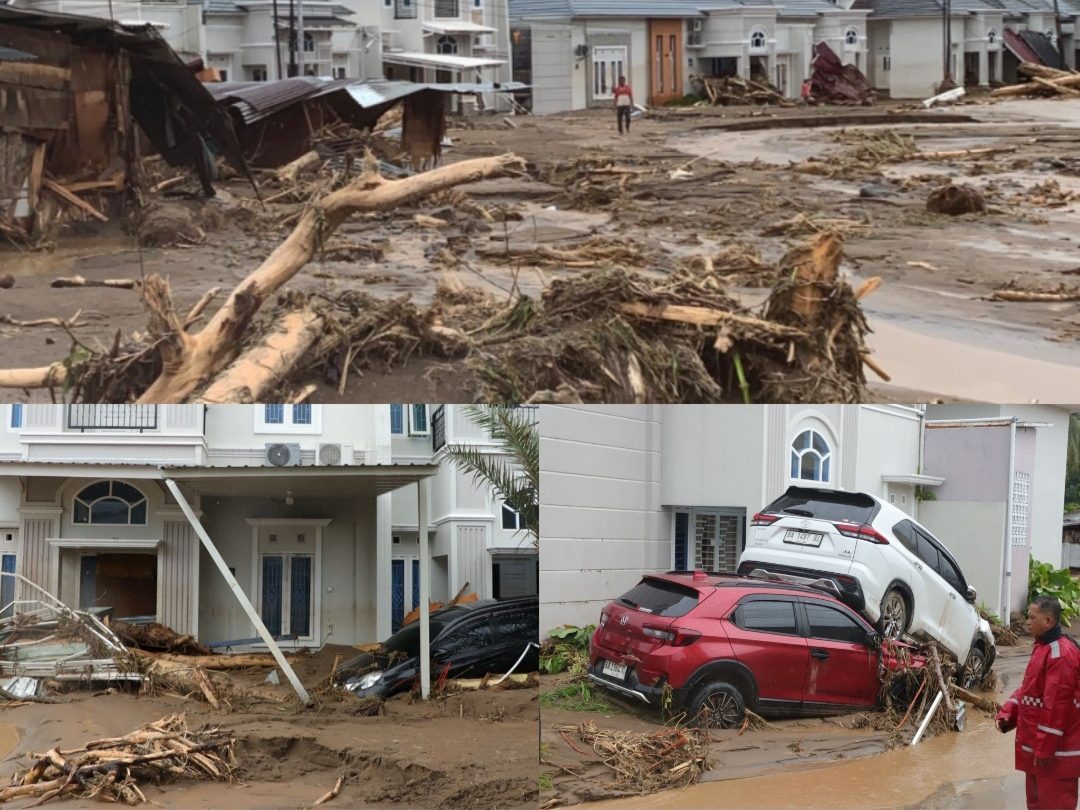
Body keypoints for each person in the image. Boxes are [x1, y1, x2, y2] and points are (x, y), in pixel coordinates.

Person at [997, 595, 1080, 810]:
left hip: (1054, 756)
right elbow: (1028, 689)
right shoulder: (1042, 648)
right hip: (1039, 753)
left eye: (1032, 617)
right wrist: (1009, 713)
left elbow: (1057, 706)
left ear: (1048, 622)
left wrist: (1045, 749)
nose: (1027, 621)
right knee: (1035, 805)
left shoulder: (1060, 654)